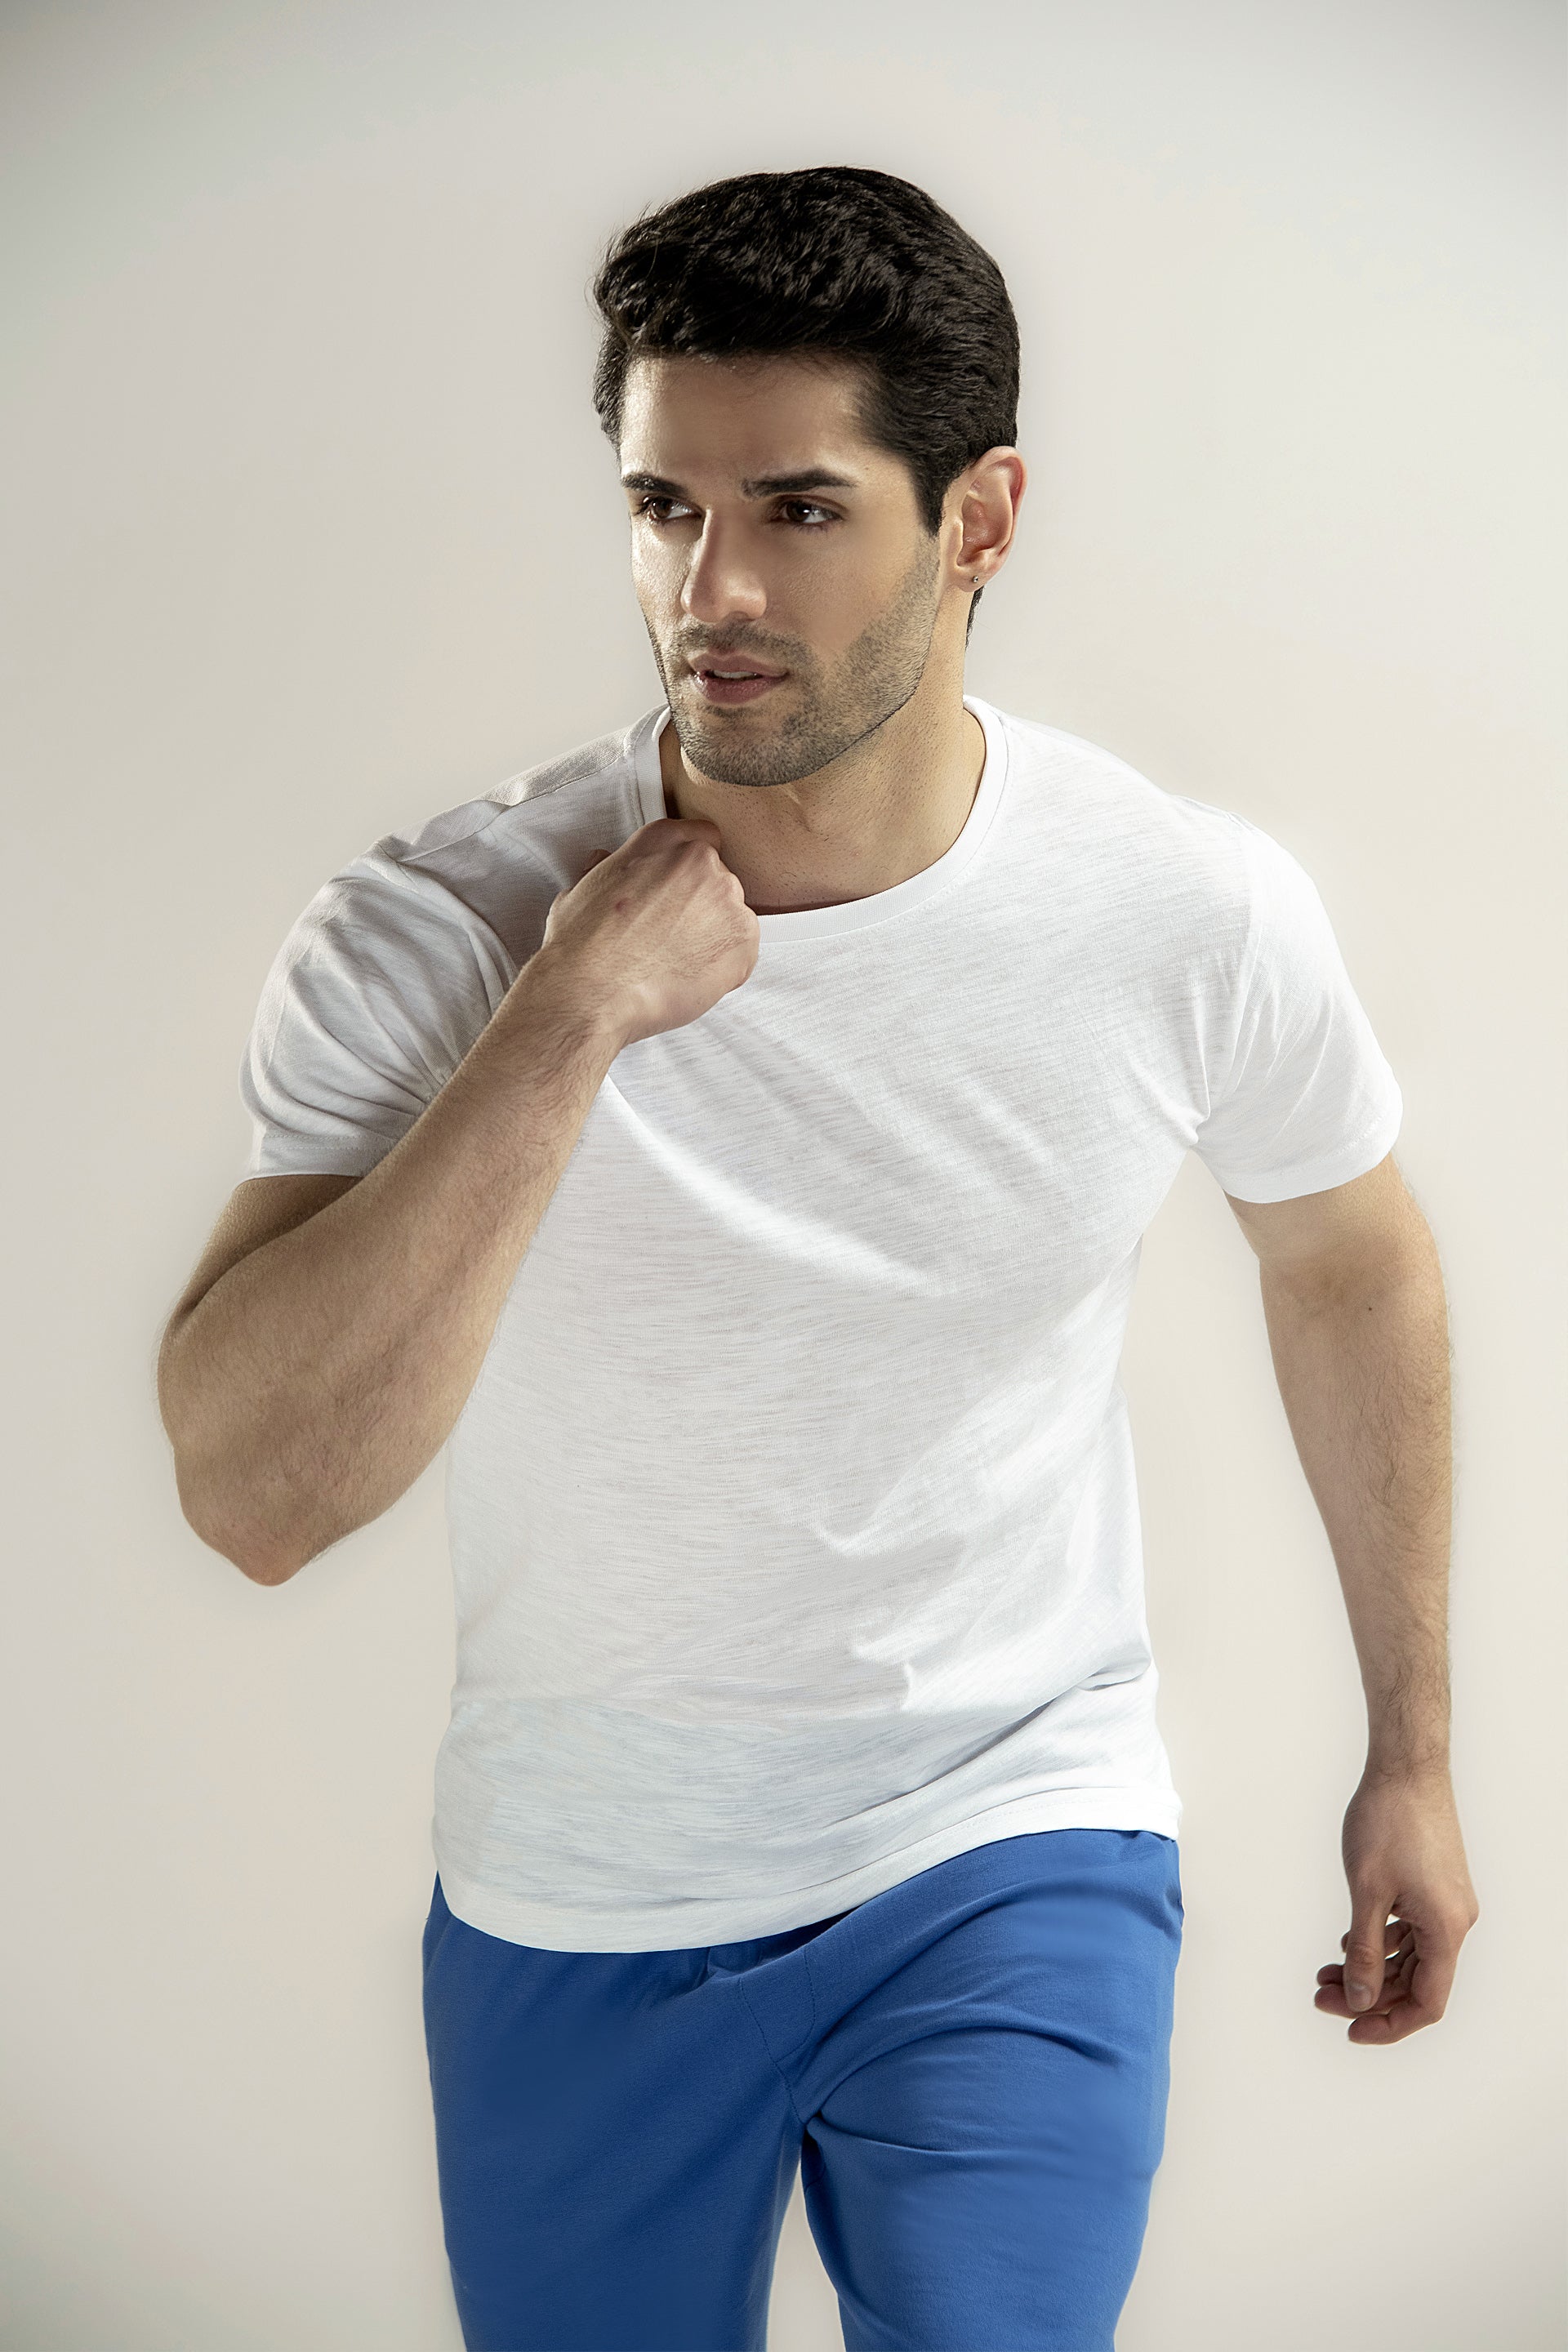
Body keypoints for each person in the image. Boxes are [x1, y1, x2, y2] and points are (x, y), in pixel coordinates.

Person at [157, 164, 1480, 2352]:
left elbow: (1356, 1262)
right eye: (663, 507)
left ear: (980, 522)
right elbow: (255, 1493)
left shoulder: (1180, 910)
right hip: (583, 1890)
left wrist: (1412, 1750)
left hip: (1014, 1836)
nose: (715, 587)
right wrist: (568, 1017)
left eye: (798, 508)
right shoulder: (443, 933)